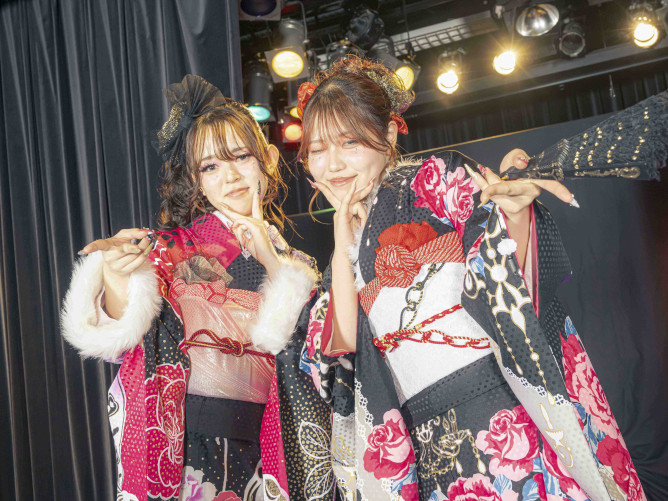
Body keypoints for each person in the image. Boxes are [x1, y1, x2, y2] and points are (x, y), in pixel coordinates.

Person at [297, 57, 646, 501]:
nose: (332, 165)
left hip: (499, 408)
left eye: (349, 142)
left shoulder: (435, 177)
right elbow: (342, 354)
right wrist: (342, 238)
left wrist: (515, 216)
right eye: (317, 150)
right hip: (427, 440)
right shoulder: (340, 251)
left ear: (388, 134)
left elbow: (503, 265)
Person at [61, 75, 321, 501]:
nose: (230, 176)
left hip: (273, 444)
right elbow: (121, 337)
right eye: (210, 167)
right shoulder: (171, 250)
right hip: (189, 446)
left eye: (241, 157)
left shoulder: (298, 266)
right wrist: (118, 275)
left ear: (269, 160)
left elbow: (316, 360)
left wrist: (275, 265)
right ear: (197, 181)